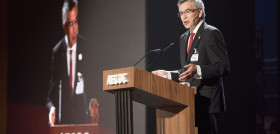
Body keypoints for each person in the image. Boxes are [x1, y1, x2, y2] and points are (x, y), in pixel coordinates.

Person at [152, 0, 230, 134]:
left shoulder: (211, 33)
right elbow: (187, 70)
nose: (184, 16)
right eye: (181, 13)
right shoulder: (183, 38)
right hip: (188, 103)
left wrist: (198, 70)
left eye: (188, 11)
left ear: (200, 12)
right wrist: (169, 74)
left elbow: (223, 67)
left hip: (208, 105)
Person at [46, 0, 99, 125]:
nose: (75, 29)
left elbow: (94, 84)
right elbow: (50, 97)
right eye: (70, 24)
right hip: (63, 120)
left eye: (76, 22)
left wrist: (93, 102)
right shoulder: (57, 52)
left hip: (82, 118)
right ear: (64, 26)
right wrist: (51, 109)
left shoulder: (87, 48)